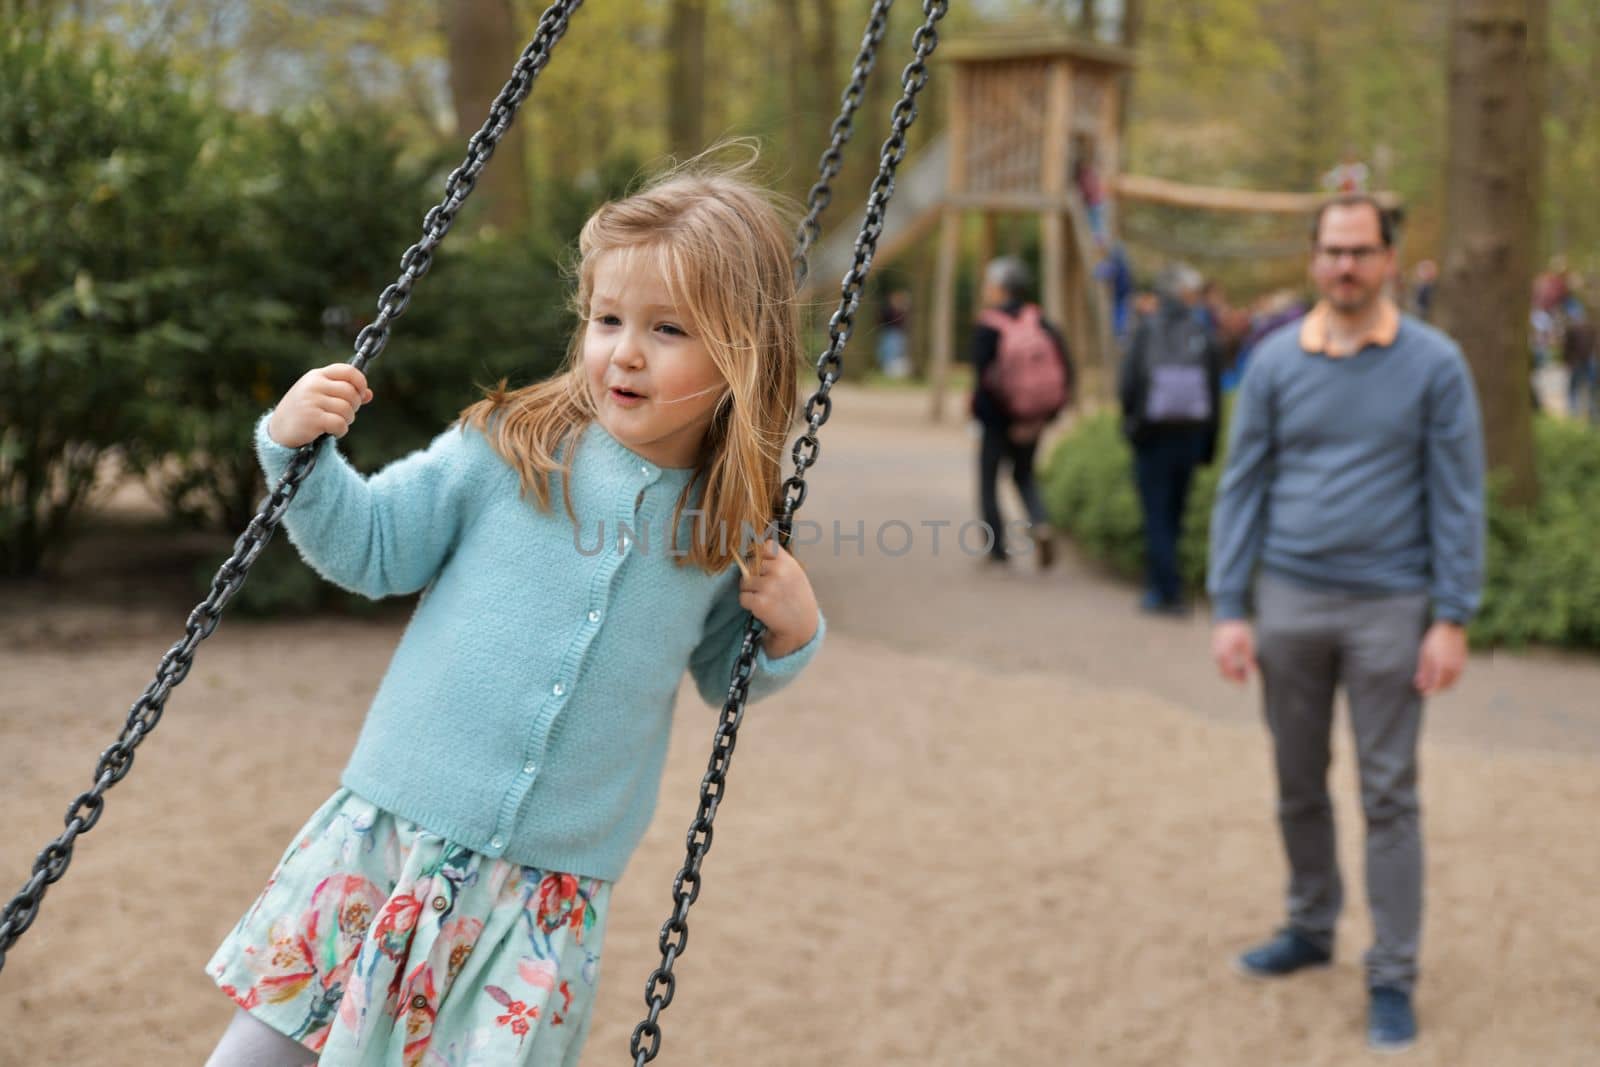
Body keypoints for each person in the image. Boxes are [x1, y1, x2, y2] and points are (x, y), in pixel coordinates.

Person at [203, 162, 826, 1067]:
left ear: (744, 352)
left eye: (668, 329)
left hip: (545, 895)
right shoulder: (510, 449)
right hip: (394, 836)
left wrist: (794, 629)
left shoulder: (727, 522)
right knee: (264, 1054)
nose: (625, 351)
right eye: (607, 319)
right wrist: (299, 453)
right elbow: (375, 547)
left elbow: (725, 671)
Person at [1207, 194, 1485, 1054]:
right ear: (1313, 259)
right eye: (1332, 251)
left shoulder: (1436, 365)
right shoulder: (1275, 360)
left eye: (1361, 251)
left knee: (1389, 792)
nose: (1345, 267)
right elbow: (1241, 485)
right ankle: (1310, 925)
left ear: (1390, 259)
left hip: (1391, 606)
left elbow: (1459, 496)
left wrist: (1452, 615)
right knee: (1297, 780)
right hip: (1288, 601)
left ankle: (1392, 974)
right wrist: (1228, 606)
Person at [1117, 262, 1223, 615]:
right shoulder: (1201, 331)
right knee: (1175, 513)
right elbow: (1214, 391)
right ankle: (1166, 586)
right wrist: (1210, 442)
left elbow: (1129, 383)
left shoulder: (1146, 330)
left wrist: (1130, 425)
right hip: (1190, 435)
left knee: (1156, 512)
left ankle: (1165, 591)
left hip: (1152, 434)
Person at [969, 256, 1074, 569]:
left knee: (989, 481)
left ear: (1000, 288)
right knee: (1024, 475)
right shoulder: (1041, 321)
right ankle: (1040, 523)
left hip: (997, 421)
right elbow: (1065, 372)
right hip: (1034, 418)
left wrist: (998, 420)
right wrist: (1043, 418)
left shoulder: (988, 327)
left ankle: (997, 550)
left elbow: (984, 383)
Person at [876, 288, 913, 379]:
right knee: (888, 352)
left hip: (896, 333)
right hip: (889, 332)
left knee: (896, 352)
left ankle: (894, 372)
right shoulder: (888, 310)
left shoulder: (901, 311)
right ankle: (889, 371)